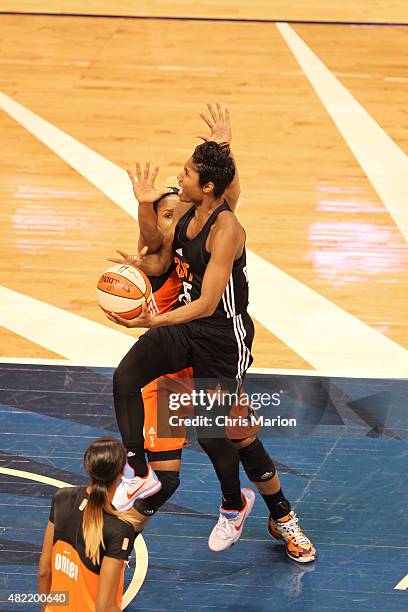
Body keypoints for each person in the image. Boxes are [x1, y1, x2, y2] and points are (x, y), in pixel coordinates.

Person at [108, 105, 316, 562]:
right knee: (159, 433)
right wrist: (145, 205)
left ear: (204, 188)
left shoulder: (223, 226)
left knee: (232, 435)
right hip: (176, 351)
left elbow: (205, 299)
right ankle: (134, 485)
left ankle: (278, 514)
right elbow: (158, 252)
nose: (176, 183)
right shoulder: (175, 220)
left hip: (219, 337)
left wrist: (225, 146)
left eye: (184, 176)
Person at [38, 437, 140, 612]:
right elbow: (104, 607)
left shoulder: (61, 498)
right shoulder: (120, 529)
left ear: (89, 467)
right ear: (122, 472)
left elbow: (44, 571)